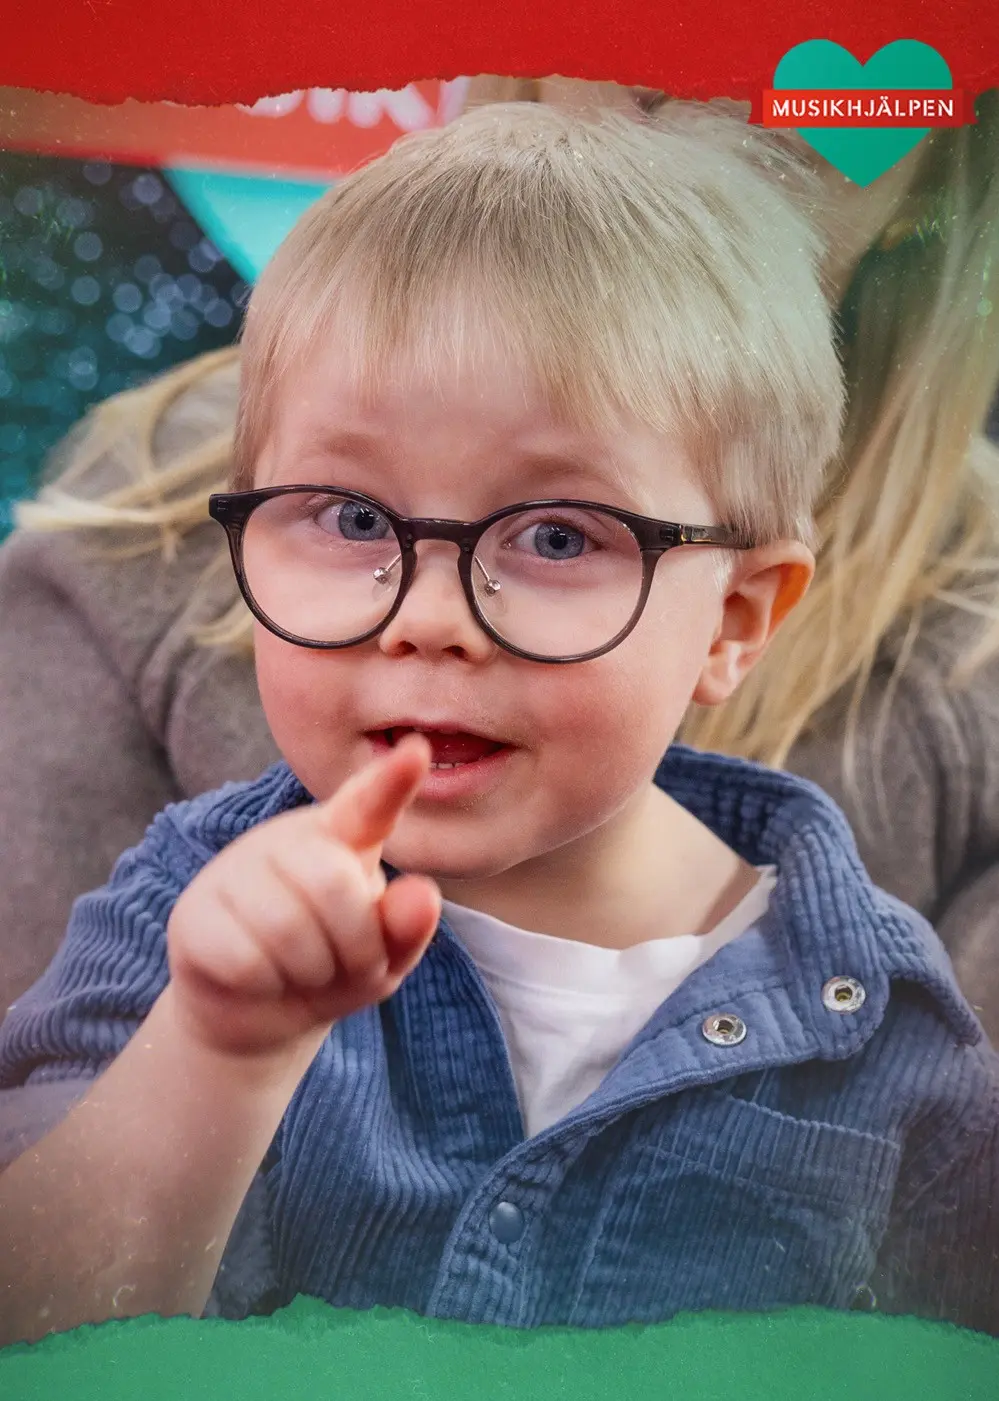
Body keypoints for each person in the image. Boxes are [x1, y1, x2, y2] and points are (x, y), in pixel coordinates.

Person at [1, 100, 998, 1347]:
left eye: (557, 536)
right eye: (352, 519)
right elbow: (27, 1327)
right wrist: (215, 1046)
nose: (428, 617)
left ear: (738, 616)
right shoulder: (182, 917)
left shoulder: (888, 1025)